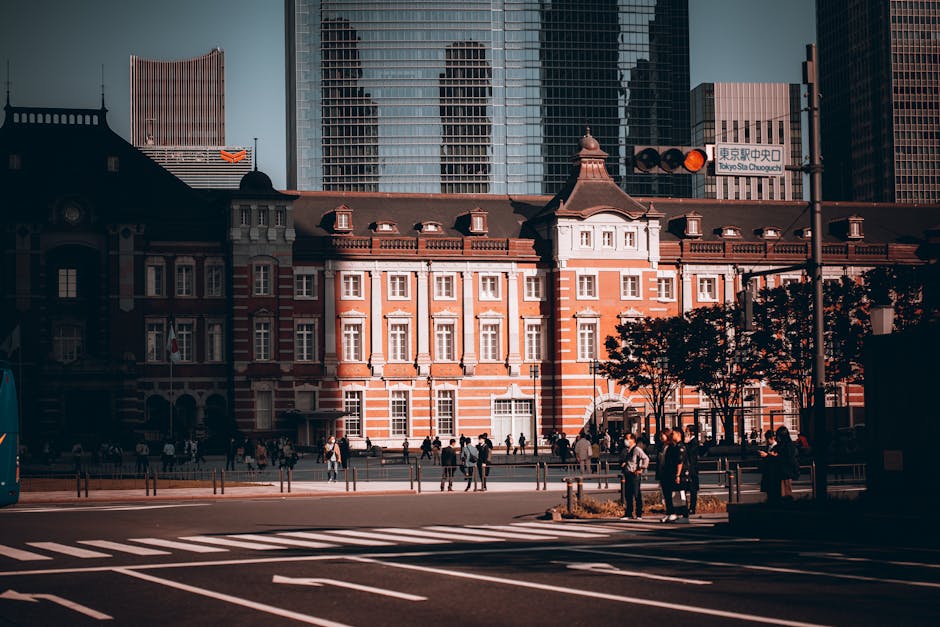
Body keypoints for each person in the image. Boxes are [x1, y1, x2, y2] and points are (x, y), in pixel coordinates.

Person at [619, 433, 649, 519]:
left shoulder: (637, 449)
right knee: (628, 494)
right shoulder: (627, 450)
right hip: (628, 473)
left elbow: (646, 458)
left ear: (632, 440)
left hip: (634, 474)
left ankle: (639, 513)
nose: (626, 440)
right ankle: (629, 513)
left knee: (636, 494)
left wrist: (641, 468)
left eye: (627, 439)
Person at [775, 425, 800, 500]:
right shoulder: (787, 444)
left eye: (778, 435)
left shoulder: (787, 445)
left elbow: (789, 458)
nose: (777, 438)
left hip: (785, 471)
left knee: (785, 492)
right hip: (784, 471)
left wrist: (776, 456)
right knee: (785, 491)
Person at [759, 430, 782, 503]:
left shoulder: (777, 447)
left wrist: (766, 455)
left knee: (773, 491)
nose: (766, 441)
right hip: (768, 471)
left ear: (772, 438)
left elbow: (776, 459)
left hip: (773, 472)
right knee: (769, 490)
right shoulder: (769, 447)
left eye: (767, 439)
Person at [684, 425, 701, 516]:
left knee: (693, 490)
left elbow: (690, 453)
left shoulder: (694, 442)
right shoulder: (688, 441)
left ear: (691, 432)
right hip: (687, 469)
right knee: (685, 489)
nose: (685, 432)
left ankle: (692, 508)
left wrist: (686, 443)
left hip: (692, 470)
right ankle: (685, 507)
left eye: (687, 430)